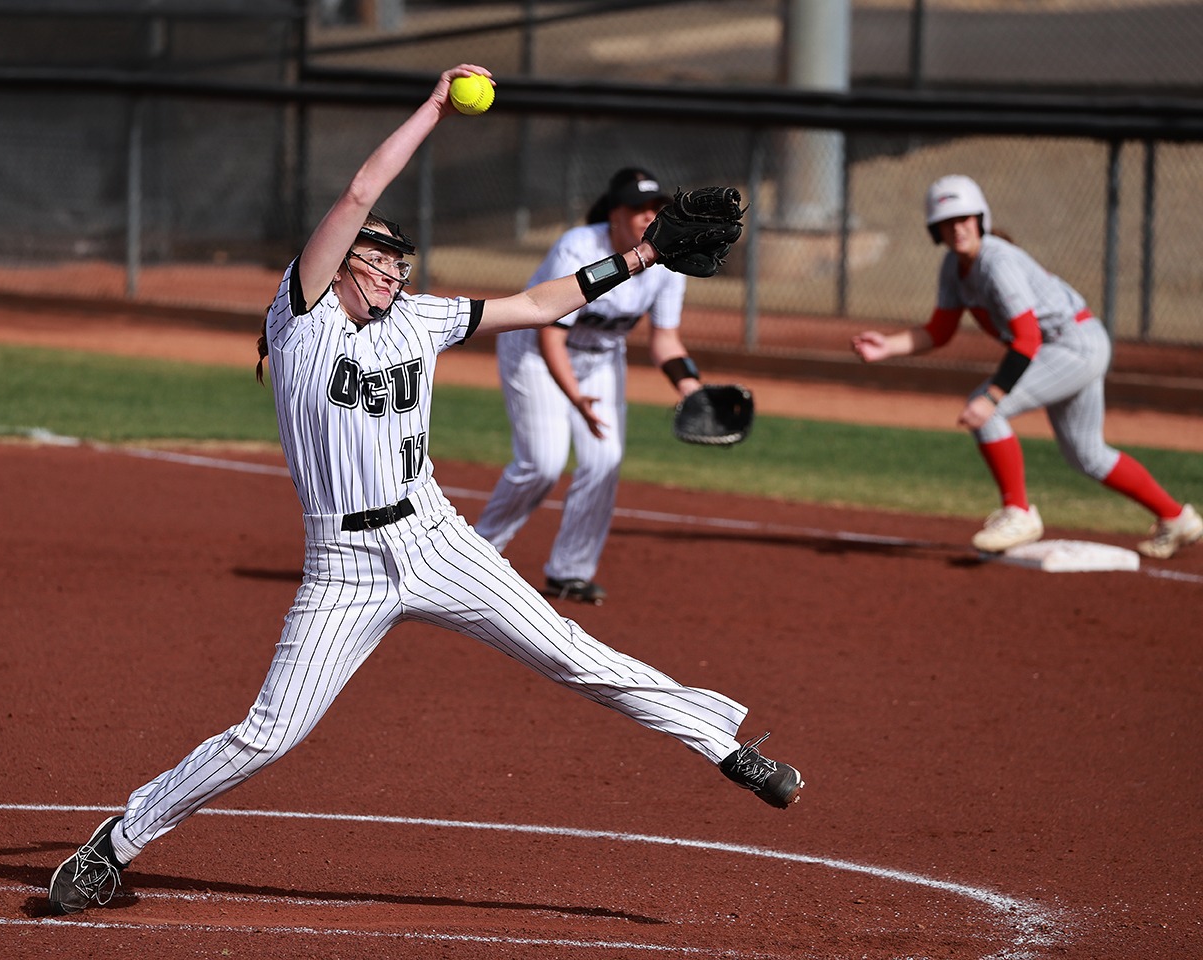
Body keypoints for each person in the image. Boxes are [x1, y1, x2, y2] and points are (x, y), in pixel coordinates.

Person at [47, 64, 803, 917]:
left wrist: (645, 254)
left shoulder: (421, 318)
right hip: (343, 568)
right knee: (269, 734)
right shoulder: (298, 324)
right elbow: (364, 184)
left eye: (399, 260)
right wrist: (437, 107)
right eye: (374, 256)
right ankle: (115, 844)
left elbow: (537, 303)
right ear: (336, 264)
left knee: (570, 651)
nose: (390, 270)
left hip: (437, 541)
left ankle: (725, 747)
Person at [851, 174, 1201, 559]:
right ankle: (1176, 518)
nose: (957, 228)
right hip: (1074, 345)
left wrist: (993, 397)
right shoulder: (953, 268)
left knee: (986, 412)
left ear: (980, 219)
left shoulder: (996, 262)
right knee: (1088, 455)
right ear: (935, 230)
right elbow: (939, 330)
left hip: (1074, 344)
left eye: (964, 218)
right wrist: (889, 346)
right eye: (947, 222)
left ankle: (1018, 512)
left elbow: (1027, 339)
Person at [473, 167, 710, 605]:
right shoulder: (578, 247)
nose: (647, 216)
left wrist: (690, 387)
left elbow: (665, 340)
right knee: (542, 462)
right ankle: (472, 558)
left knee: (604, 459)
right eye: (637, 207)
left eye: (654, 206)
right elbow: (550, 333)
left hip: (600, 358)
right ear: (614, 213)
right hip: (535, 352)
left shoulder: (667, 263)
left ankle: (570, 572)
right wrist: (576, 399)